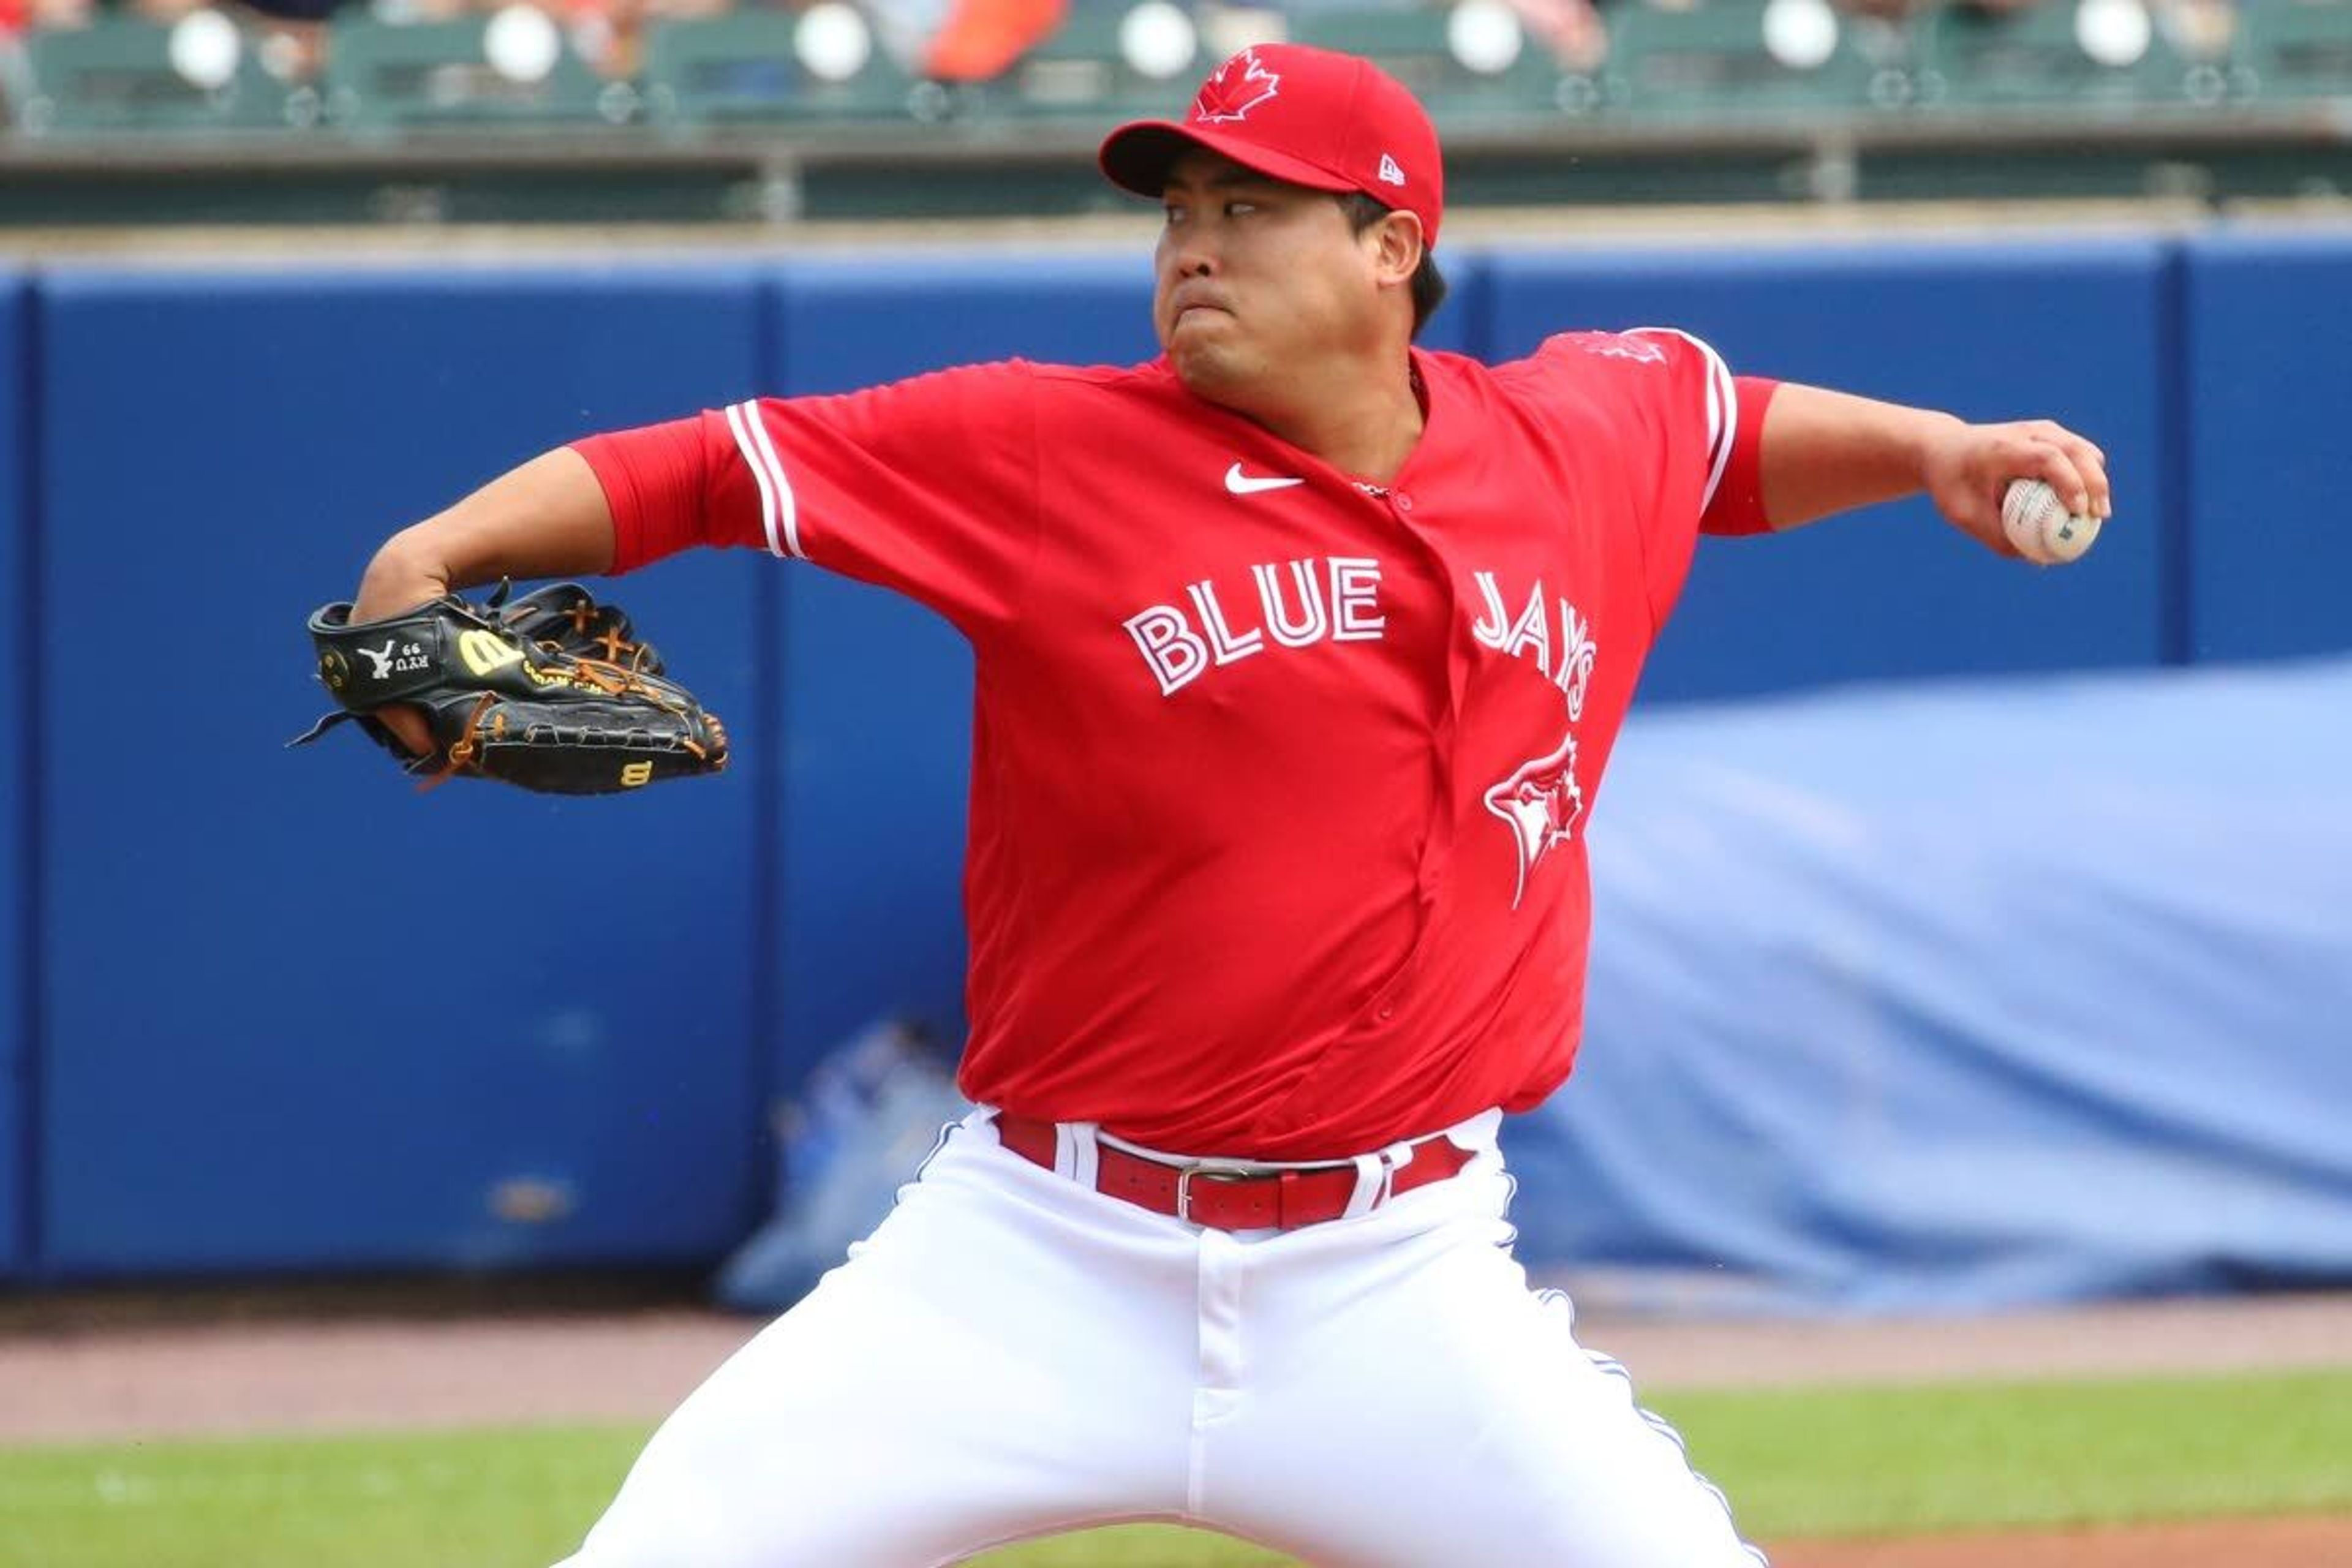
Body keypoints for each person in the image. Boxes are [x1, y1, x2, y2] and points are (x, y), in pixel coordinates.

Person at [345, 42, 2111, 1568]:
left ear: (1391, 247)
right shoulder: (1045, 450)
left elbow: (1728, 428)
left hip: (1400, 1280)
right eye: (1179, 208)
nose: (1194, 243)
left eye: (1251, 207)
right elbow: (703, 467)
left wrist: (1942, 450)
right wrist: (432, 554)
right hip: (1037, 1256)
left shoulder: (1582, 435)